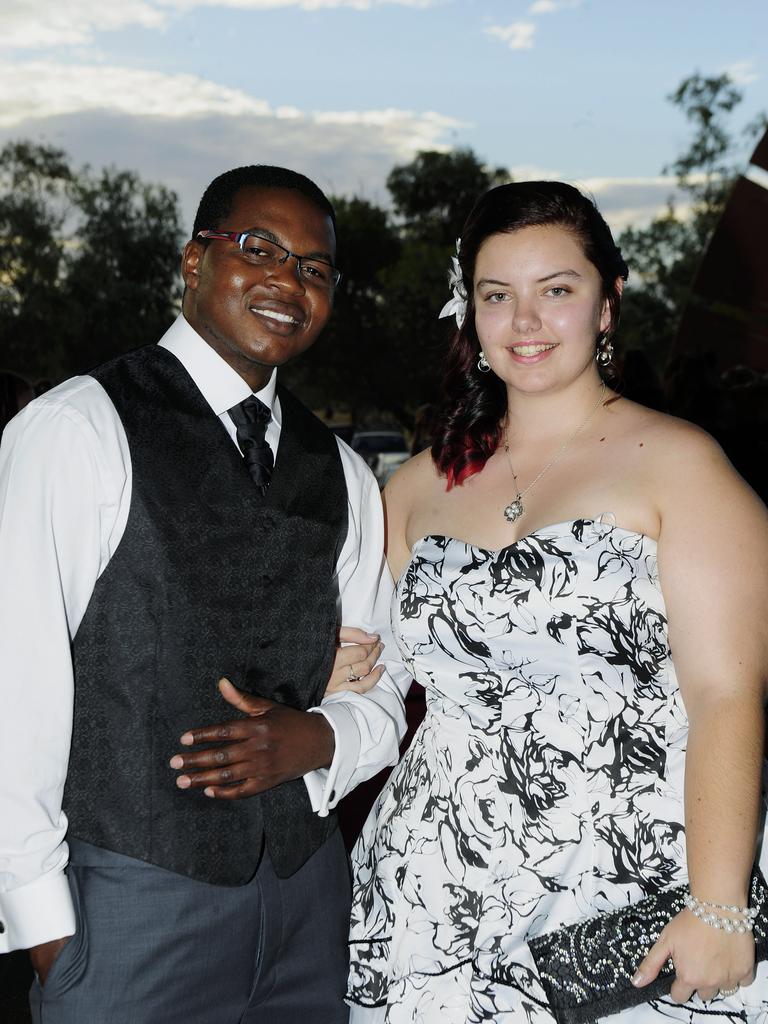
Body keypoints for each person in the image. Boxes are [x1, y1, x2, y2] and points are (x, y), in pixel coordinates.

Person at [344, 181, 768, 1022]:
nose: (525, 322)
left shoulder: (681, 465)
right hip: (435, 893)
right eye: (497, 296)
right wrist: (338, 664)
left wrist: (719, 903)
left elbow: (727, 694)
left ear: (608, 305)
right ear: (469, 314)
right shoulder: (415, 486)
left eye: (557, 291)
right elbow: (380, 670)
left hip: (631, 891)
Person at [0, 164, 411, 1024]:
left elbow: (386, 679)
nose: (287, 281)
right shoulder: (79, 428)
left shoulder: (340, 472)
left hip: (307, 901)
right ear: (194, 262)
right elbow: (16, 690)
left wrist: (318, 735)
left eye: (314, 269)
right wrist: (46, 933)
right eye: (258, 248)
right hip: (128, 903)